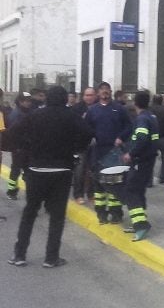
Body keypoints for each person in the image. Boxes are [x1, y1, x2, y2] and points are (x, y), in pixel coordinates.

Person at [6, 86, 94, 267]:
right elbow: (87, 133)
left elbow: (13, 133)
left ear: (47, 98)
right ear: (64, 99)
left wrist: (27, 148)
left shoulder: (35, 115)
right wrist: (75, 148)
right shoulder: (70, 116)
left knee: (30, 212)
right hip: (61, 170)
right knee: (57, 216)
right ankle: (51, 257)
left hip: (37, 169)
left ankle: (19, 255)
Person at [85, 82, 132, 224]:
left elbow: (129, 126)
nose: (105, 92)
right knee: (99, 185)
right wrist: (91, 137)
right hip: (98, 152)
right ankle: (101, 214)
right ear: (98, 93)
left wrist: (121, 138)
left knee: (116, 183)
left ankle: (116, 214)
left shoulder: (119, 109)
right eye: (102, 90)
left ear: (111, 92)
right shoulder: (92, 110)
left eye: (107, 90)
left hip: (115, 152)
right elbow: (86, 128)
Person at [119, 90, 160, 241]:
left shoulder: (142, 119)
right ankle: (138, 222)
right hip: (148, 160)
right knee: (139, 191)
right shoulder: (151, 117)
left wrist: (131, 154)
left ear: (135, 103)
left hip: (140, 161)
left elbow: (141, 139)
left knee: (131, 191)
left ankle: (141, 225)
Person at [71, 87, 97, 204]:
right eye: (87, 95)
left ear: (95, 96)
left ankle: (91, 193)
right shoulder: (76, 109)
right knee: (79, 170)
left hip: (95, 143)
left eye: (91, 95)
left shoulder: (99, 107)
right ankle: (78, 194)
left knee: (92, 170)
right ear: (83, 96)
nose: (89, 97)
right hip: (80, 144)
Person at [6, 92, 34, 200]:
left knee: (28, 170)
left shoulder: (28, 112)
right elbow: (13, 133)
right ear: (20, 101)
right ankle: (11, 191)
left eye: (29, 100)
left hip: (27, 147)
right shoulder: (16, 114)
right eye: (26, 101)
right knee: (16, 170)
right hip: (19, 148)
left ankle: (30, 192)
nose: (29, 103)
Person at [150, 94, 164, 183]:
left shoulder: (149, 110)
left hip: (151, 138)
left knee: (150, 158)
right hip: (163, 137)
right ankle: (163, 176)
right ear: (161, 101)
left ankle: (149, 180)